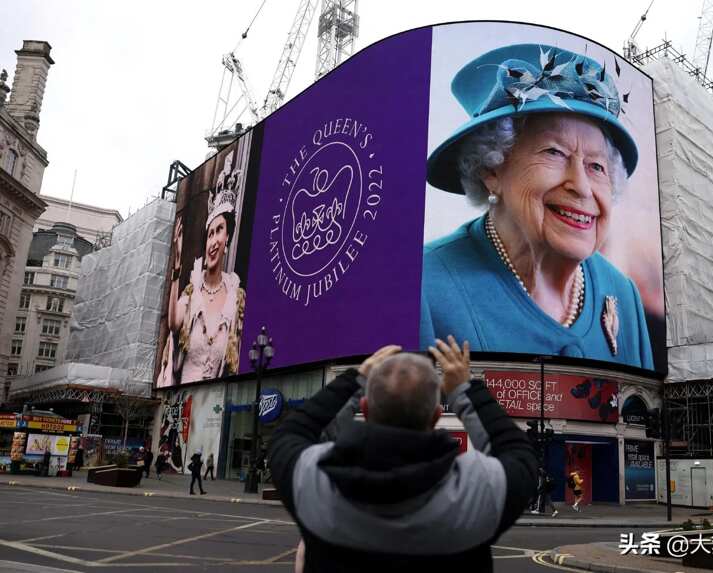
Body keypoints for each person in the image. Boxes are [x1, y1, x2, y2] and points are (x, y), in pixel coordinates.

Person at [421, 43, 652, 370]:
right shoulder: (426, 288)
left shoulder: (623, 295)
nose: (582, 187)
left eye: (596, 166)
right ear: (492, 169)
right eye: (554, 152)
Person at [269, 337, 537, 572]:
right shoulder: (481, 490)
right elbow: (518, 453)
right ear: (435, 417)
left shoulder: (312, 478)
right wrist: (465, 389)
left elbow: (290, 434)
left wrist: (355, 379)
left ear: (365, 407)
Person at [165, 150, 246, 385]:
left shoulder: (236, 299)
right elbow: (173, 323)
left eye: (219, 231)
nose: (212, 241)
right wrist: (176, 269)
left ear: (227, 239)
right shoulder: (192, 293)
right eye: (210, 234)